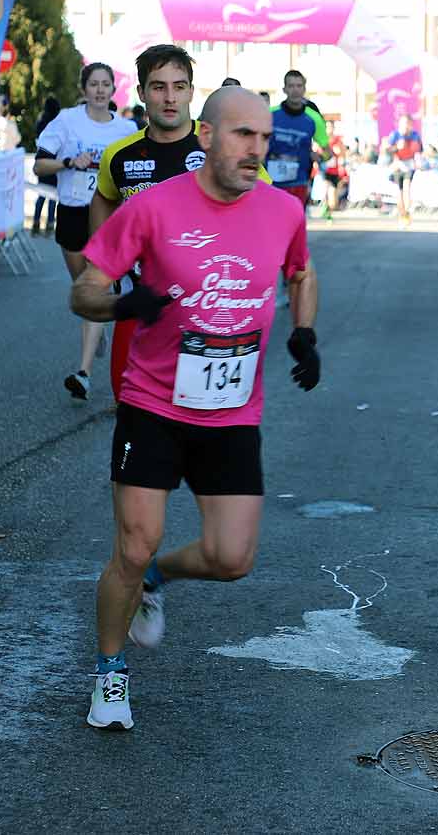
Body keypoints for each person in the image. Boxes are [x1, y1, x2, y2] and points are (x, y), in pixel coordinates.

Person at [72, 84, 321, 731]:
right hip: (153, 402)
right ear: (206, 136)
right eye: (244, 135)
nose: (256, 150)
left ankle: (158, 575)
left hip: (232, 411)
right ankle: (110, 675)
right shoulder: (153, 209)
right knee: (132, 543)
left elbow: (301, 271)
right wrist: (123, 304)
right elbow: (85, 288)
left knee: (233, 558)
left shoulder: (282, 211)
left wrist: (304, 330)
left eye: (265, 139)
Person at [91, 44, 208, 404]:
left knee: (202, 428)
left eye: (179, 86)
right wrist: (104, 265)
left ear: (191, 90)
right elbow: (103, 197)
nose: (170, 97)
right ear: (141, 93)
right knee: (131, 417)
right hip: (140, 309)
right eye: (158, 87)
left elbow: (265, 209)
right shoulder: (120, 155)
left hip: (207, 313)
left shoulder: (219, 148)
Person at [34, 63, 133, 401]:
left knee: (96, 287)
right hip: (73, 212)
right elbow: (39, 164)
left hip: (109, 216)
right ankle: (98, 321)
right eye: (94, 84)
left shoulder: (126, 129)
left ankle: (84, 373)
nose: (101, 90)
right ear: (85, 88)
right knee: (82, 291)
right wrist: (68, 162)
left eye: (106, 84)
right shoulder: (66, 121)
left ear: (112, 90)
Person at [266, 69, 329, 211]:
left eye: (299, 86)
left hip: (299, 181)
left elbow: (327, 153)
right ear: (284, 89)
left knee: (295, 224)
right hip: (272, 182)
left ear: (304, 89)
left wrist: (319, 156)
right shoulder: (270, 115)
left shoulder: (313, 118)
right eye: (291, 86)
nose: (295, 90)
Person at [385, 116, 423, 226]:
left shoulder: (415, 135)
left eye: (408, 123)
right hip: (397, 164)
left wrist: (418, 160)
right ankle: (402, 214)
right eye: (403, 123)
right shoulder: (395, 135)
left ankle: (407, 212)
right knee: (399, 193)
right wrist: (396, 147)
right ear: (400, 124)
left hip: (409, 164)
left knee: (407, 188)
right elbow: (387, 150)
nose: (406, 126)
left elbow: (419, 150)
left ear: (411, 124)